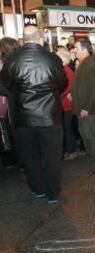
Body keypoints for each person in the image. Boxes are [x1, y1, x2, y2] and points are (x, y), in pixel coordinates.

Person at [1, 26, 67, 203]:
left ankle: (37, 188)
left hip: (24, 116)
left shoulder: (12, 58)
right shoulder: (52, 58)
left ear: (23, 38)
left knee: (31, 156)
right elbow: (62, 82)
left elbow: (6, 84)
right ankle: (52, 193)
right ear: (40, 38)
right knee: (52, 157)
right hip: (50, 115)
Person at [71, 38, 95, 156]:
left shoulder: (89, 64)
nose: (74, 51)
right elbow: (82, 84)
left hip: (87, 109)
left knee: (92, 135)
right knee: (85, 134)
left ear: (84, 50)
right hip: (82, 107)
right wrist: (72, 94)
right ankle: (91, 157)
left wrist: (87, 108)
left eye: (77, 48)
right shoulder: (84, 63)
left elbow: (94, 88)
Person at [0, 37, 20, 170]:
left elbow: (4, 88)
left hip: (13, 104)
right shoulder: (19, 61)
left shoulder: (8, 64)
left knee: (14, 133)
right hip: (22, 103)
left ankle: (18, 161)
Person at [56, 50, 77, 160]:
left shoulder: (66, 71)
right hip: (65, 104)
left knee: (67, 128)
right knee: (67, 127)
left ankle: (71, 150)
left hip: (66, 105)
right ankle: (69, 150)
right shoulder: (66, 70)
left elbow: (66, 88)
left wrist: (56, 97)